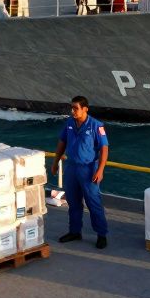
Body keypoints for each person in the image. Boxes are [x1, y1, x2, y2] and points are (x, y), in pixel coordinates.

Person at [52, 95, 109, 249]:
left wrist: (100, 169)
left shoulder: (96, 126)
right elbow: (62, 142)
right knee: (73, 202)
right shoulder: (69, 123)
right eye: (72, 108)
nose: (73, 111)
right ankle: (75, 231)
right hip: (71, 168)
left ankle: (101, 234)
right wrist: (56, 161)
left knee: (93, 202)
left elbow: (104, 148)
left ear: (85, 109)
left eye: (76, 108)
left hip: (88, 169)